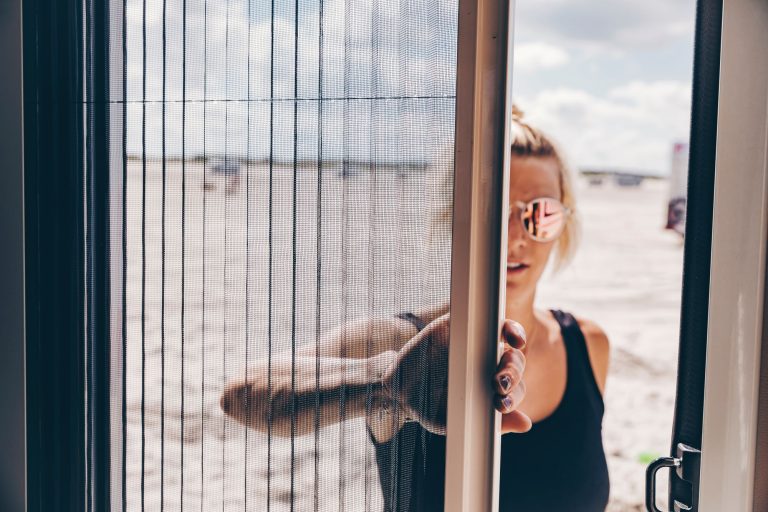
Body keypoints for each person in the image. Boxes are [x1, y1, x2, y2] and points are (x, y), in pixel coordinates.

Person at [220, 107, 610, 511]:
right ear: (456, 212)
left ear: (565, 219)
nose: (514, 239)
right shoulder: (403, 342)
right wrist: (383, 385)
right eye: (494, 211)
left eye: (539, 214)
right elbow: (242, 394)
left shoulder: (587, 346)